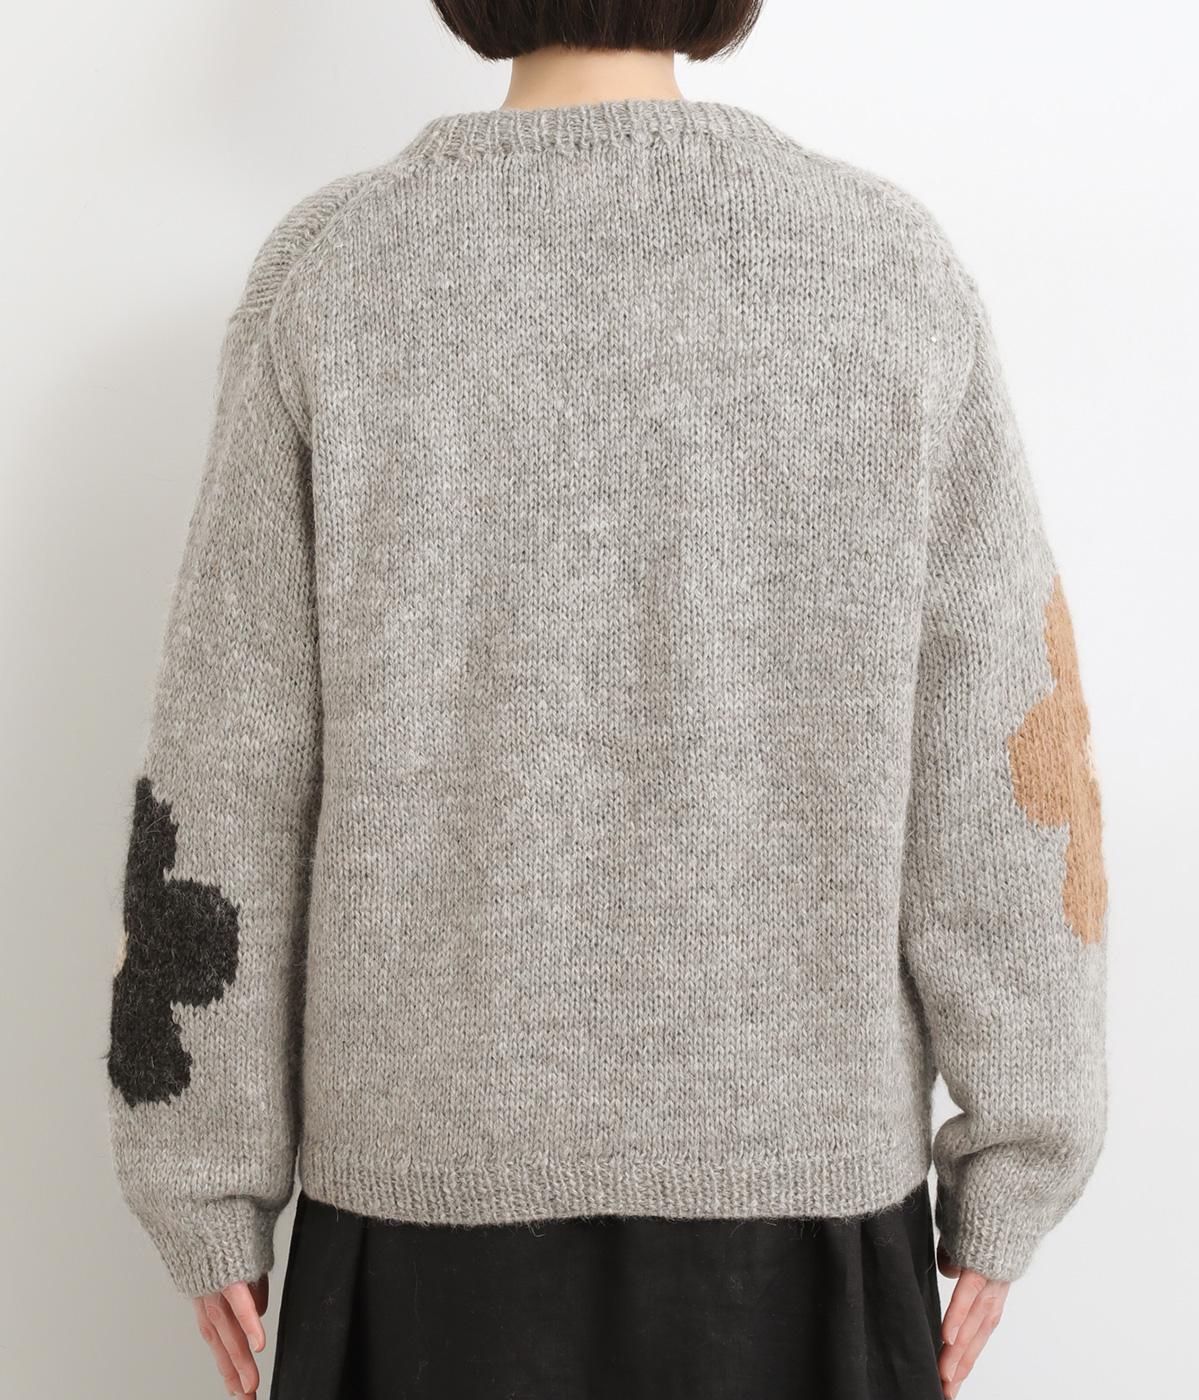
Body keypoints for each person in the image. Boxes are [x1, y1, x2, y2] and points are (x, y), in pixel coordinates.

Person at [104, 3, 1109, 1397]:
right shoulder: (885, 270)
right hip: (804, 1219)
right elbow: (1005, 758)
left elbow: (229, 755)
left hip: (421, 1217)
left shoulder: (338, 274)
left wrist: (198, 1164)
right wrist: (1025, 1147)